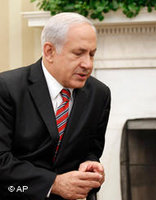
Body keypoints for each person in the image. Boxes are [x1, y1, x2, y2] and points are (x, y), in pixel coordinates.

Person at [0, 12, 111, 200]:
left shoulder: (99, 94)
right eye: (78, 53)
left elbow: (92, 150)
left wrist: (91, 165)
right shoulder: (7, 87)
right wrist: (54, 184)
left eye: (92, 54)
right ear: (49, 51)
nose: (88, 64)